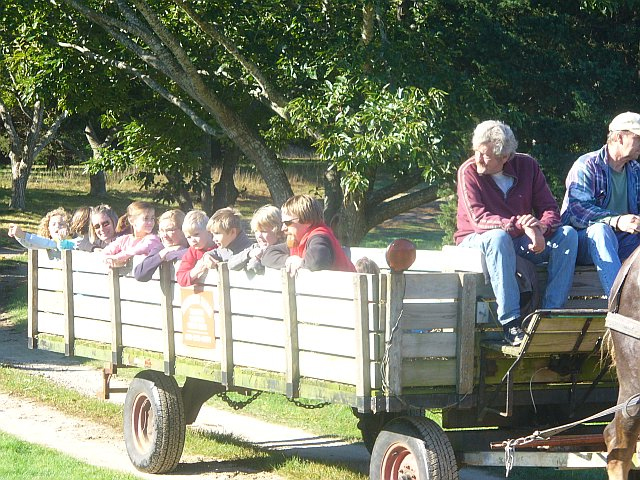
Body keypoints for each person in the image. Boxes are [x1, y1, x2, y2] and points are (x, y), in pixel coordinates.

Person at [455, 120, 578, 346]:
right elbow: (479, 220)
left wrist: (541, 227)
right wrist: (524, 226)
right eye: (476, 152)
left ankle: (550, 315)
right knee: (498, 237)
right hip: (475, 241)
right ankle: (510, 323)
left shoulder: (527, 166)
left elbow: (550, 209)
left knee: (568, 235)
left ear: (505, 158)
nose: (478, 159)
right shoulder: (468, 171)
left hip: (518, 240)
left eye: (485, 155)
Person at [561, 112, 640, 296]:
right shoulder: (587, 164)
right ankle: (617, 304)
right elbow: (577, 211)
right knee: (600, 231)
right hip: (580, 244)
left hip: (622, 242)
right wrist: (617, 220)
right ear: (619, 137)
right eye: (638, 138)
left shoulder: (636, 170)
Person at [261, 194, 356, 276]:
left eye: (287, 222)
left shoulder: (320, 237)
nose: (283, 228)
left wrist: (300, 262)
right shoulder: (297, 240)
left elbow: (317, 262)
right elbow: (267, 255)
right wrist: (289, 260)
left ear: (307, 221)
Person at [101, 201, 162, 268]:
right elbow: (105, 252)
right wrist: (110, 260)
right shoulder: (124, 240)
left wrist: (119, 257)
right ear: (132, 220)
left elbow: (141, 249)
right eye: (146, 219)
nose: (150, 222)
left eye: (152, 218)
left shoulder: (153, 239)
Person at [227, 205, 285, 273]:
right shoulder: (255, 247)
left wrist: (258, 261)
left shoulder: (284, 249)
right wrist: (249, 254)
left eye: (264, 231)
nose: (259, 236)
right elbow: (230, 264)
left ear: (278, 232)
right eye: (256, 231)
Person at [133, 209, 188, 282]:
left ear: (183, 230)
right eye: (161, 231)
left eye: (169, 230)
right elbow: (140, 275)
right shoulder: (161, 248)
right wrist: (161, 255)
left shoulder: (196, 244)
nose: (164, 235)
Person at [176, 210, 216, 287]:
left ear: (209, 231)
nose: (192, 240)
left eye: (196, 234)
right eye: (188, 237)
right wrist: (196, 270)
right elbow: (181, 278)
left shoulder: (220, 245)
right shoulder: (192, 251)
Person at [8, 207, 73, 251]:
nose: (57, 227)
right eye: (53, 224)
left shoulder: (74, 243)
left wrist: (62, 240)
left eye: (61, 224)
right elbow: (32, 243)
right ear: (48, 228)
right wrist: (19, 235)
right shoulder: (47, 244)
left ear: (68, 227)